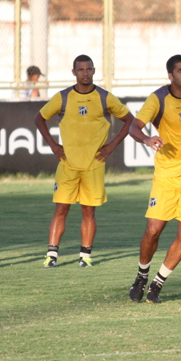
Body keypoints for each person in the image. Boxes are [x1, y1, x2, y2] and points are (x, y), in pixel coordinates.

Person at [35, 54, 133, 268]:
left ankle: (85, 256)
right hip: (67, 164)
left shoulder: (105, 97)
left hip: (94, 165)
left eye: (88, 69)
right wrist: (53, 145)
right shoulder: (63, 97)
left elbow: (129, 120)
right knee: (61, 209)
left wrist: (111, 146)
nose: (85, 73)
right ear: (74, 72)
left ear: (94, 71)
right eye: (81, 70)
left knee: (89, 211)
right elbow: (39, 118)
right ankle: (52, 255)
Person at [127, 55, 181, 304]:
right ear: (170, 76)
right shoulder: (158, 98)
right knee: (153, 231)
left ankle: (157, 283)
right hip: (166, 176)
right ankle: (142, 275)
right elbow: (133, 127)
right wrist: (147, 139)